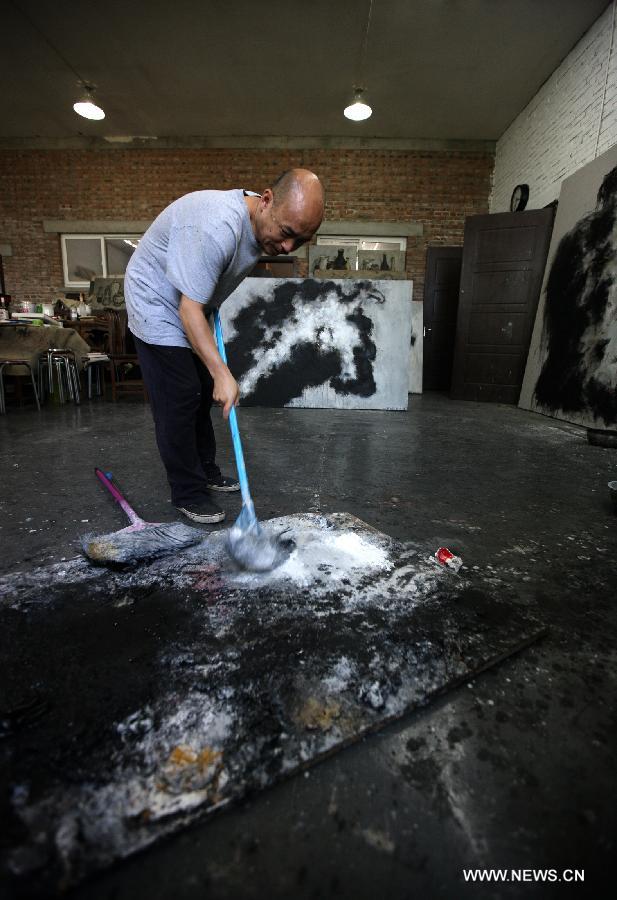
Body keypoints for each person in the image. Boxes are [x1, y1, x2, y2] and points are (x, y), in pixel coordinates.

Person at [124, 168, 325, 523]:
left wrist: (213, 366)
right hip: (155, 300)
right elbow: (188, 309)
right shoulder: (216, 228)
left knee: (201, 388)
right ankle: (188, 491)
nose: (288, 248)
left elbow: (202, 293)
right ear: (266, 200)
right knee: (182, 393)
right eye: (287, 233)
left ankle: (205, 469)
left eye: (301, 241)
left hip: (191, 301)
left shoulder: (261, 224)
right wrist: (222, 372)